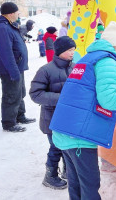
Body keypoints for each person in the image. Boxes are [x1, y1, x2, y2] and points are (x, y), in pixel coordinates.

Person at [50, 21, 116, 200]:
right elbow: (108, 99)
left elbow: (87, 99)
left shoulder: (86, 59)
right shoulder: (107, 61)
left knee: (77, 184)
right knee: (90, 186)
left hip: (65, 130)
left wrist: (114, 120)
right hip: (79, 138)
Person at [29, 36, 76, 190]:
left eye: (73, 49)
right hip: (52, 118)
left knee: (68, 146)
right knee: (56, 147)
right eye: (69, 50)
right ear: (61, 51)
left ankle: (67, 170)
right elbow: (35, 94)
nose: (72, 53)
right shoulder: (46, 70)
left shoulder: (74, 67)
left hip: (69, 117)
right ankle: (50, 176)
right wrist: (62, 98)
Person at [0, 2, 36, 132]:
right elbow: (5, 52)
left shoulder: (10, 25)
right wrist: (13, 71)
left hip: (17, 67)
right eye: (17, 12)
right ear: (11, 13)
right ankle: (9, 123)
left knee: (20, 93)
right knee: (11, 95)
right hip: (10, 69)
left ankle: (20, 116)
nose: (19, 14)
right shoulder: (2, 28)